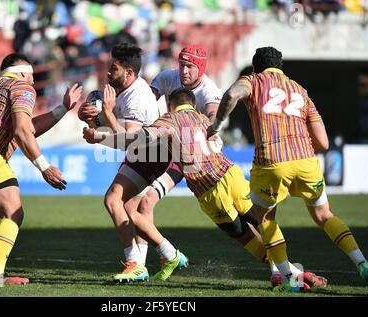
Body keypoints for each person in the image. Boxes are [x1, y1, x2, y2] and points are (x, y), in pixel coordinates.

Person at [85, 88, 327, 288]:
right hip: (232, 174)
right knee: (263, 222)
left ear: (170, 105)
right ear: (192, 104)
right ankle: (291, 272)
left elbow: (134, 140)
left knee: (243, 235)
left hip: (209, 188)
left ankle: (288, 275)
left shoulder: (169, 120)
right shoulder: (203, 119)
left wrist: (99, 135)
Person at [207, 46, 368, 291]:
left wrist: (217, 125)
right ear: (280, 67)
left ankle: (287, 276)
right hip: (306, 161)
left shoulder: (254, 80)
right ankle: (363, 263)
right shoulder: (300, 90)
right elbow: (324, 143)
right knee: (325, 215)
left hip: (272, 161)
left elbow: (231, 95)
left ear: (255, 67)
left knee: (264, 216)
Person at [0, 53, 83, 285]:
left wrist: (62, 109)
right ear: (23, 73)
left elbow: (25, 127)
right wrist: (44, 167)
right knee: (13, 212)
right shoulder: (22, 86)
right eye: (31, 76)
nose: (33, 82)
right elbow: (23, 131)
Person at [78, 43, 179, 283]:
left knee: (116, 201)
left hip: (155, 156)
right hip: (142, 154)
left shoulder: (138, 97)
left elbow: (130, 142)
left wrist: (107, 119)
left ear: (129, 73)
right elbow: (115, 135)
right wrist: (90, 120)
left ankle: (140, 262)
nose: (108, 73)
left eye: (113, 69)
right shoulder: (120, 89)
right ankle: (161, 257)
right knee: (126, 207)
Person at [135, 45, 223, 267]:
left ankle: (278, 265)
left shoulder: (208, 90)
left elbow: (214, 117)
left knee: (233, 216)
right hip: (172, 151)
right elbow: (144, 102)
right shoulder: (166, 77)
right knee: (143, 202)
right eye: (182, 65)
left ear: (200, 68)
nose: (184, 71)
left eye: (190, 67)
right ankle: (138, 265)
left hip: (202, 157)